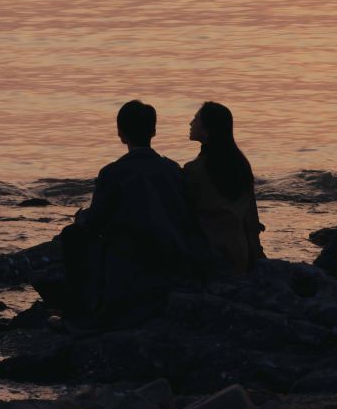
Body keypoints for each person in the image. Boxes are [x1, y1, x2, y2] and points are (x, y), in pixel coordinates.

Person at [59, 100, 208, 330]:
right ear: (154, 131)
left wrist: (82, 220)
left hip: (131, 261)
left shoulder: (112, 172)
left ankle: (76, 315)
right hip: (173, 256)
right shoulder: (173, 169)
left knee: (71, 236)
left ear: (121, 133)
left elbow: (96, 223)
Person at [183, 101, 265, 276]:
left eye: (196, 119)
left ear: (207, 128)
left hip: (209, 257)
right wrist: (257, 256)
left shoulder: (194, 170)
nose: (191, 123)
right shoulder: (241, 164)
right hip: (239, 254)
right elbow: (251, 219)